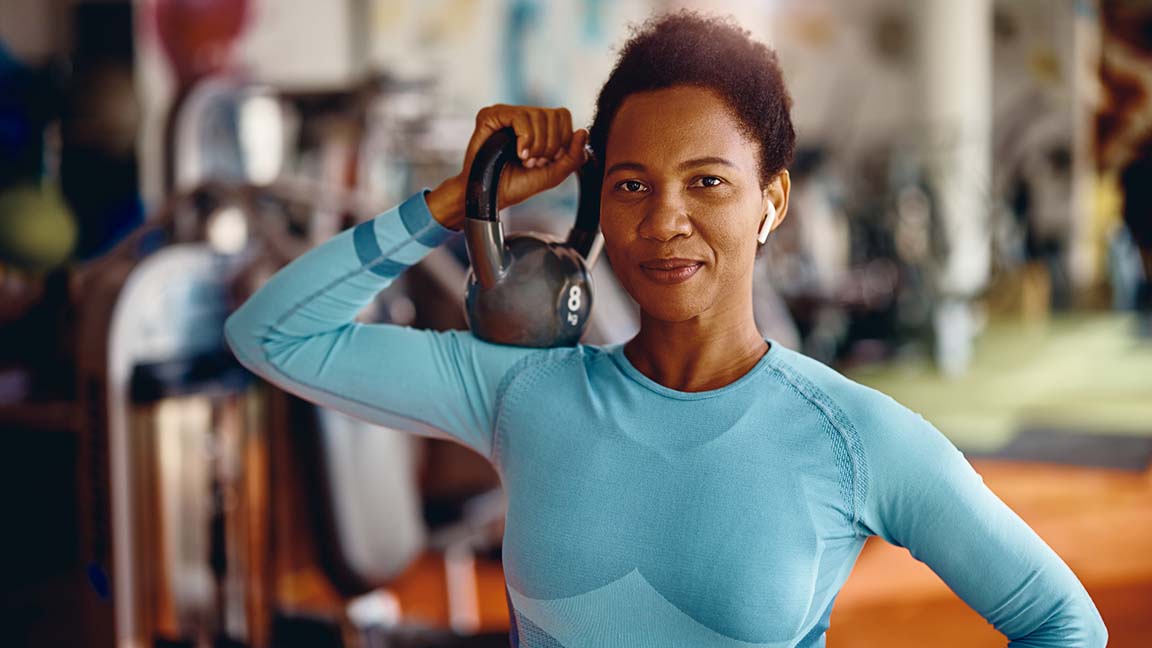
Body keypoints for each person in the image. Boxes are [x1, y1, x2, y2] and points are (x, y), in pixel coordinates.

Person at [225, 12, 1106, 647]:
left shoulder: (852, 437)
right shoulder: (523, 390)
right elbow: (272, 336)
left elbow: (1061, 623)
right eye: (633, 184)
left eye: (710, 182)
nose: (664, 221)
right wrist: (455, 204)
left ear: (772, 202)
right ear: (600, 200)